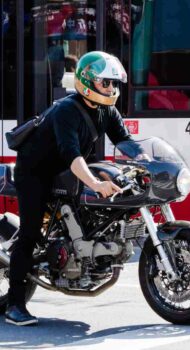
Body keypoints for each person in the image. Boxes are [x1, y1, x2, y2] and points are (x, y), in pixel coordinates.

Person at [5, 51, 131, 326]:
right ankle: (15, 305)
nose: (111, 89)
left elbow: (125, 141)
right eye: (105, 83)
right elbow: (72, 155)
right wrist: (96, 183)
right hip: (36, 171)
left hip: (64, 170)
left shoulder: (107, 110)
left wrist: (150, 162)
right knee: (29, 234)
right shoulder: (66, 111)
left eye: (114, 84)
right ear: (87, 80)